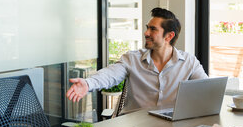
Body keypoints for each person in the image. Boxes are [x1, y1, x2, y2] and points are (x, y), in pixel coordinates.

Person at [66, 7, 207, 112]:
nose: (146, 33)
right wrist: (88, 83)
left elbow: (207, 88)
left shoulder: (189, 62)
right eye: (147, 28)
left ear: (169, 36)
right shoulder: (132, 59)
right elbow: (109, 75)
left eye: (153, 29)